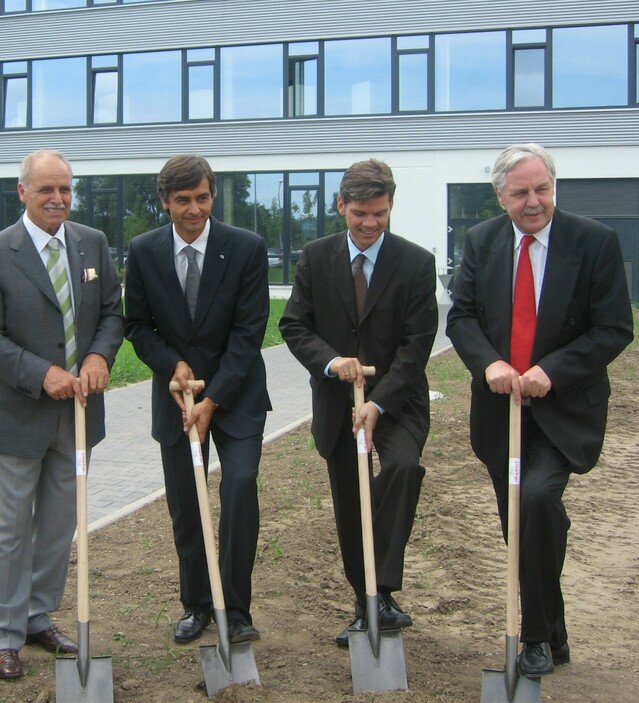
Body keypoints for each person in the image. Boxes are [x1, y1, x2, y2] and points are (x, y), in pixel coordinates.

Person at [446, 143, 633, 677]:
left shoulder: (593, 242)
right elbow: (461, 318)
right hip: (501, 411)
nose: (534, 201)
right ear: (500, 196)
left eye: (543, 188)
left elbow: (615, 327)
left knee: (537, 500)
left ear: (555, 186)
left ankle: (533, 638)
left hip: (564, 410)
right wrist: (489, 364)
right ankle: (557, 633)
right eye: (521, 192)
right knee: (521, 522)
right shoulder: (481, 241)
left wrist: (554, 370)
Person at [279, 158, 438, 646]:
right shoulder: (315, 256)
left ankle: (382, 589)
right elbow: (294, 326)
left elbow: (417, 345)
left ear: (390, 208)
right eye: (360, 214)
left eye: (380, 214)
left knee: (403, 469)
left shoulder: (414, 263)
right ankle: (366, 601)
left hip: (397, 402)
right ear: (341, 206)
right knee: (352, 502)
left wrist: (379, 401)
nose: (370, 224)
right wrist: (331, 363)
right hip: (337, 404)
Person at [124, 155, 270, 645]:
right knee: (186, 504)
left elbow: (250, 332)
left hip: (239, 391)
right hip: (176, 397)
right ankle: (197, 604)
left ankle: (236, 609)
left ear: (212, 196)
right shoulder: (143, 251)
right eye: (183, 200)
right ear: (165, 201)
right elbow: (138, 326)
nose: (194, 209)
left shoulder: (245, 247)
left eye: (202, 198)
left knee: (239, 486)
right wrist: (172, 365)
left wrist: (215, 399)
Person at [0, 150, 124, 679]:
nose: (58, 199)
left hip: (77, 417)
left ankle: (36, 617)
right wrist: (38, 372)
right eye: (46, 189)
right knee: (9, 529)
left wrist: (98, 356)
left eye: (65, 190)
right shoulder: (2, 251)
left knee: (58, 524)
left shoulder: (91, 242)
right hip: (18, 414)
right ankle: (4, 633)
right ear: (23, 192)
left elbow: (114, 312)